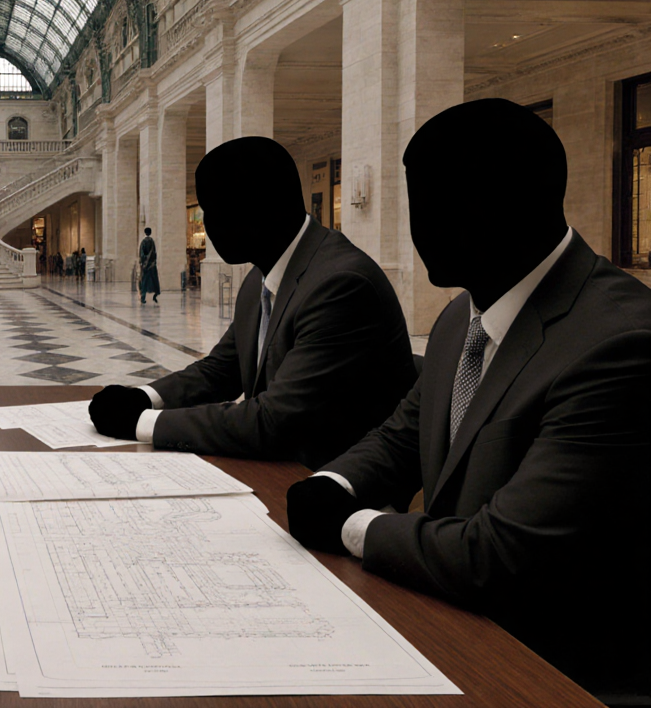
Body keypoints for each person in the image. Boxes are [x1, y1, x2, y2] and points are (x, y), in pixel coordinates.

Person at [285, 99, 650, 703]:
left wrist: (353, 526)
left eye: (445, 203)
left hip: (560, 671)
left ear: (518, 202)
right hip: (457, 623)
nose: (420, 227)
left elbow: (499, 555)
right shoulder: (462, 315)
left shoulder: (620, 345)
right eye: (416, 203)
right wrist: (335, 483)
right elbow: (404, 434)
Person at [90, 137, 417, 470]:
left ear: (257, 208)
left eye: (215, 210)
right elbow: (220, 370)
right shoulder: (259, 279)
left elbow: (273, 421)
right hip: (281, 467)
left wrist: (142, 423)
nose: (207, 226)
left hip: (332, 483)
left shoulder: (340, 285)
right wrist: (144, 397)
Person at [139, 228, 160, 303]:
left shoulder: (143, 242)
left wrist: (143, 262)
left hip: (145, 265)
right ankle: (155, 295)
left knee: (144, 281)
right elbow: (154, 253)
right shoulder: (152, 242)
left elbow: (141, 254)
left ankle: (143, 297)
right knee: (154, 280)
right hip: (152, 264)